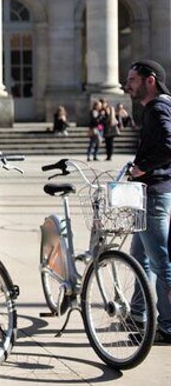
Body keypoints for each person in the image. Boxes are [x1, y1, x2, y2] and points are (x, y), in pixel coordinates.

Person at [124, 60, 171, 344]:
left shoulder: (157, 108)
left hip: (153, 193)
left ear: (149, 80)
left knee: (161, 262)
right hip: (152, 191)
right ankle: (137, 312)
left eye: (132, 79)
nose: (127, 84)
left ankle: (168, 324)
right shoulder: (161, 106)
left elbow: (168, 144)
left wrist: (143, 167)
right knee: (138, 256)